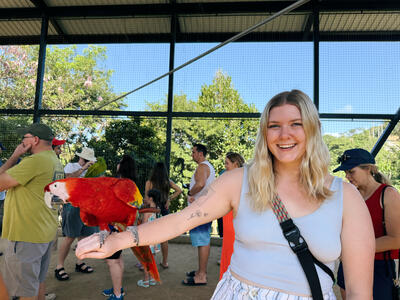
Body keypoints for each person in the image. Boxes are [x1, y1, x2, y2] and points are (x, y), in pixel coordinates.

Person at [76, 90, 375, 299]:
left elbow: (360, 291)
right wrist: (119, 238)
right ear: (265, 133)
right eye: (274, 126)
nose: (285, 134)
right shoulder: (239, 181)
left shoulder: (346, 198)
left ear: (312, 129)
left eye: (296, 124)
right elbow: (181, 220)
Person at [0, 123, 64, 300]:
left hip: (27, 235)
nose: (21, 141)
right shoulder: (54, 161)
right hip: (44, 232)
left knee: (22, 291)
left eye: (24, 138)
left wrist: (14, 156)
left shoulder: (35, 161)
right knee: (36, 283)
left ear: (35, 140)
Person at [333, 148, 400, 300]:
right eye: (345, 173)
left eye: (351, 171)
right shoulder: (350, 195)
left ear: (368, 168)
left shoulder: (388, 194)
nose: (347, 177)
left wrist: (353, 250)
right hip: (349, 264)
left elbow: (396, 239)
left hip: (379, 267)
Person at [55, 147, 98, 281]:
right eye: (88, 160)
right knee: (69, 237)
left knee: (84, 237)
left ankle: (80, 263)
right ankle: (59, 266)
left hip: (87, 207)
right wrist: (83, 168)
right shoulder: (70, 166)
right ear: (83, 158)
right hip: (72, 206)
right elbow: (66, 179)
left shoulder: (92, 171)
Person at [102, 154, 140, 300]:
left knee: (112, 260)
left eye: (119, 162)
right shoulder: (130, 183)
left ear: (123, 166)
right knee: (117, 258)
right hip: (121, 226)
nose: (117, 164)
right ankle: (118, 288)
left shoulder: (121, 184)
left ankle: (117, 295)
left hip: (115, 226)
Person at [183, 143, 215, 286]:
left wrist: (190, 193)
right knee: (202, 240)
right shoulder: (207, 166)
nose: (192, 154)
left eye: (194, 152)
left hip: (200, 210)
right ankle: (200, 271)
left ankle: (201, 275)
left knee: (202, 241)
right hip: (203, 208)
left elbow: (200, 184)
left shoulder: (202, 166)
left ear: (200, 153)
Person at [145, 162, 182, 269]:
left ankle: (149, 263)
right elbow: (179, 190)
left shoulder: (149, 182)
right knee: (164, 238)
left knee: (149, 237)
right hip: (164, 211)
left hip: (152, 211)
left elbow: (147, 198)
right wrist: (169, 199)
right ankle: (165, 262)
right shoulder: (168, 182)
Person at [219, 152, 245, 280]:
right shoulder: (246, 177)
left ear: (235, 164)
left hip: (232, 218)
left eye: (227, 163)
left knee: (230, 249)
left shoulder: (231, 178)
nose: (225, 166)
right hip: (231, 217)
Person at [137, 189, 162, 288]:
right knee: (152, 260)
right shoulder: (157, 209)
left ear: (150, 198)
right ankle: (152, 279)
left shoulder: (147, 212)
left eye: (146, 197)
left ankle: (146, 280)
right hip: (154, 239)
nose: (144, 198)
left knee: (145, 260)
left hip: (147, 239)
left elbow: (143, 225)